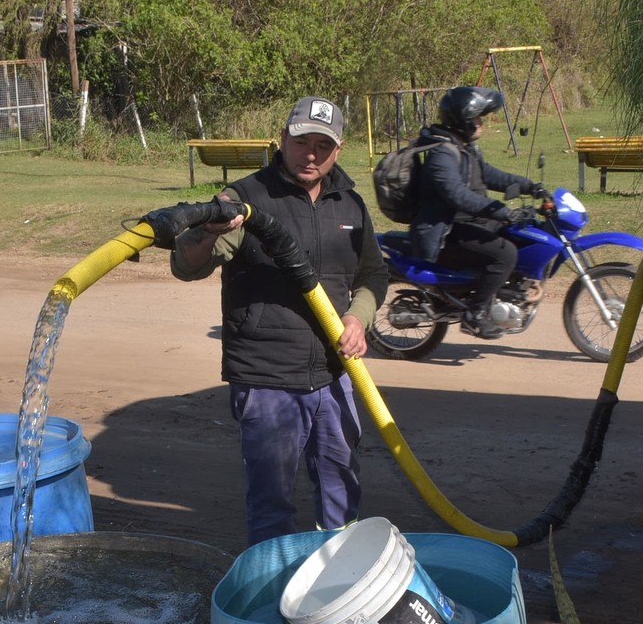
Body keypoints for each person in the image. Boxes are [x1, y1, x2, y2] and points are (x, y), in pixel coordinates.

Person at [171, 96, 388, 546]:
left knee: (342, 492)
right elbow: (188, 265)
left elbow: (373, 272)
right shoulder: (247, 198)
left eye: (322, 146)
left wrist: (357, 317)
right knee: (272, 505)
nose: (311, 154)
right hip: (267, 376)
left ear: (339, 148)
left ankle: (337, 588)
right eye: (301, 141)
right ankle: (273, 596)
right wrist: (208, 229)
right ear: (283, 138)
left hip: (335, 373)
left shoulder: (349, 202)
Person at [407, 86, 543, 339]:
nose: (482, 124)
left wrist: (529, 186)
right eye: (478, 119)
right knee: (505, 254)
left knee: (521, 236)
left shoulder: (463, 147)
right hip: (444, 232)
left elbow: (489, 175)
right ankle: (475, 315)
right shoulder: (441, 154)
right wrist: (500, 211)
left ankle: (499, 294)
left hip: (465, 223)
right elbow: (456, 194)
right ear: (464, 121)